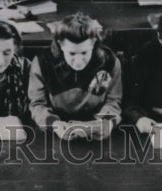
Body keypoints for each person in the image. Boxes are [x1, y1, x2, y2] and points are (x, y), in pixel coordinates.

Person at [28, 12, 122, 141]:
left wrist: (107, 122)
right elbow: (37, 104)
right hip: (56, 130)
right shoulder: (42, 63)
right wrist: (54, 124)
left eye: (84, 53)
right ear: (60, 45)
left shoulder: (109, 62)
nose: (78, 61)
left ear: (93, 42)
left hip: (97, 129)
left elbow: (113, 100)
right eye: (72, 53)